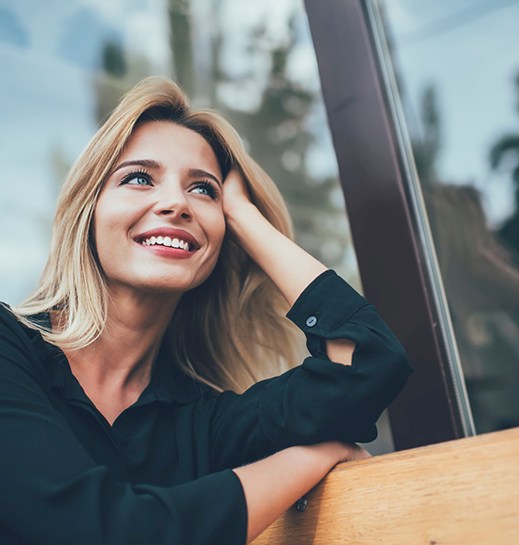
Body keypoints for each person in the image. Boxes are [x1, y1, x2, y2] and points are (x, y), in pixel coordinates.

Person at [0, 77, 411, 545]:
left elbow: (368, 364)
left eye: (203, 190)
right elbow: (103, 532)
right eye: (139, 178)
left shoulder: (206, 424)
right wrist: (313, 457)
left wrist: (244, 215)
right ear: (88, 212)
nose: (176, 203)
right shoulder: (10, 350)